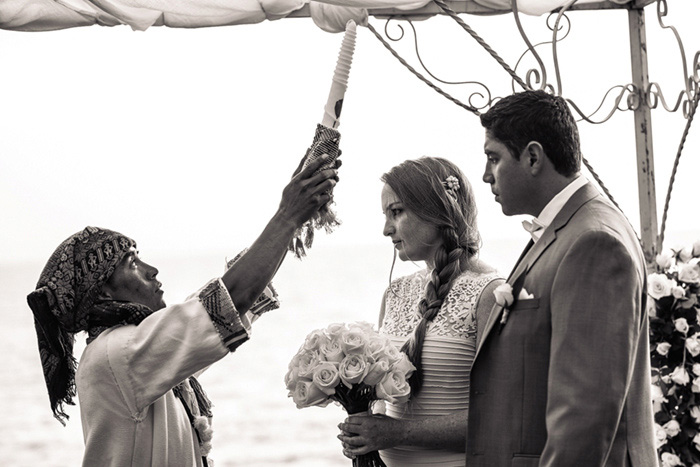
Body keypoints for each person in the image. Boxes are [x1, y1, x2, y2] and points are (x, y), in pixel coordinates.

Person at [27, 154, 339, 466]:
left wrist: (295, 215)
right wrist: (287, 216)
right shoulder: (116, 354)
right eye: (132, 262)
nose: (152, 270)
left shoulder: (135, 350)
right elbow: (229, 299)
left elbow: (219, 301)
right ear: (103, 291)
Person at [468, 90, 657, 466]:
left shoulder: (594, 241)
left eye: (494, 158)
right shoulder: (569, 228)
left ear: (533, 157)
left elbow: (584, 417)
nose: (486, 174)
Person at [337, 156, 503, 466]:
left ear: (438, 211)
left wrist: (399, 433)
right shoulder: (396, 292)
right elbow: (386, 406)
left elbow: (502, 416)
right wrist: (364, 430)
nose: (387, 229)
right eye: (386, 215)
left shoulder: (490, 293)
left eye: (396, 212)